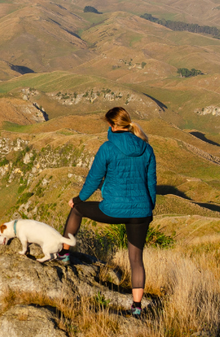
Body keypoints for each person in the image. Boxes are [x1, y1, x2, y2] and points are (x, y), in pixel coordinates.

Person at [57, 107, 156, 316]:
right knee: (136, 259)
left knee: (77, 211)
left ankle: (64, 253)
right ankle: (137, 307)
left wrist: (78, 199)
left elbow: (93, 179)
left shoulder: (108, 148)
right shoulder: (147, 149)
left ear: (111, 125)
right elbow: (151, 183)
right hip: (142, 211)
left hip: (113, 209)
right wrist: (150, 208)